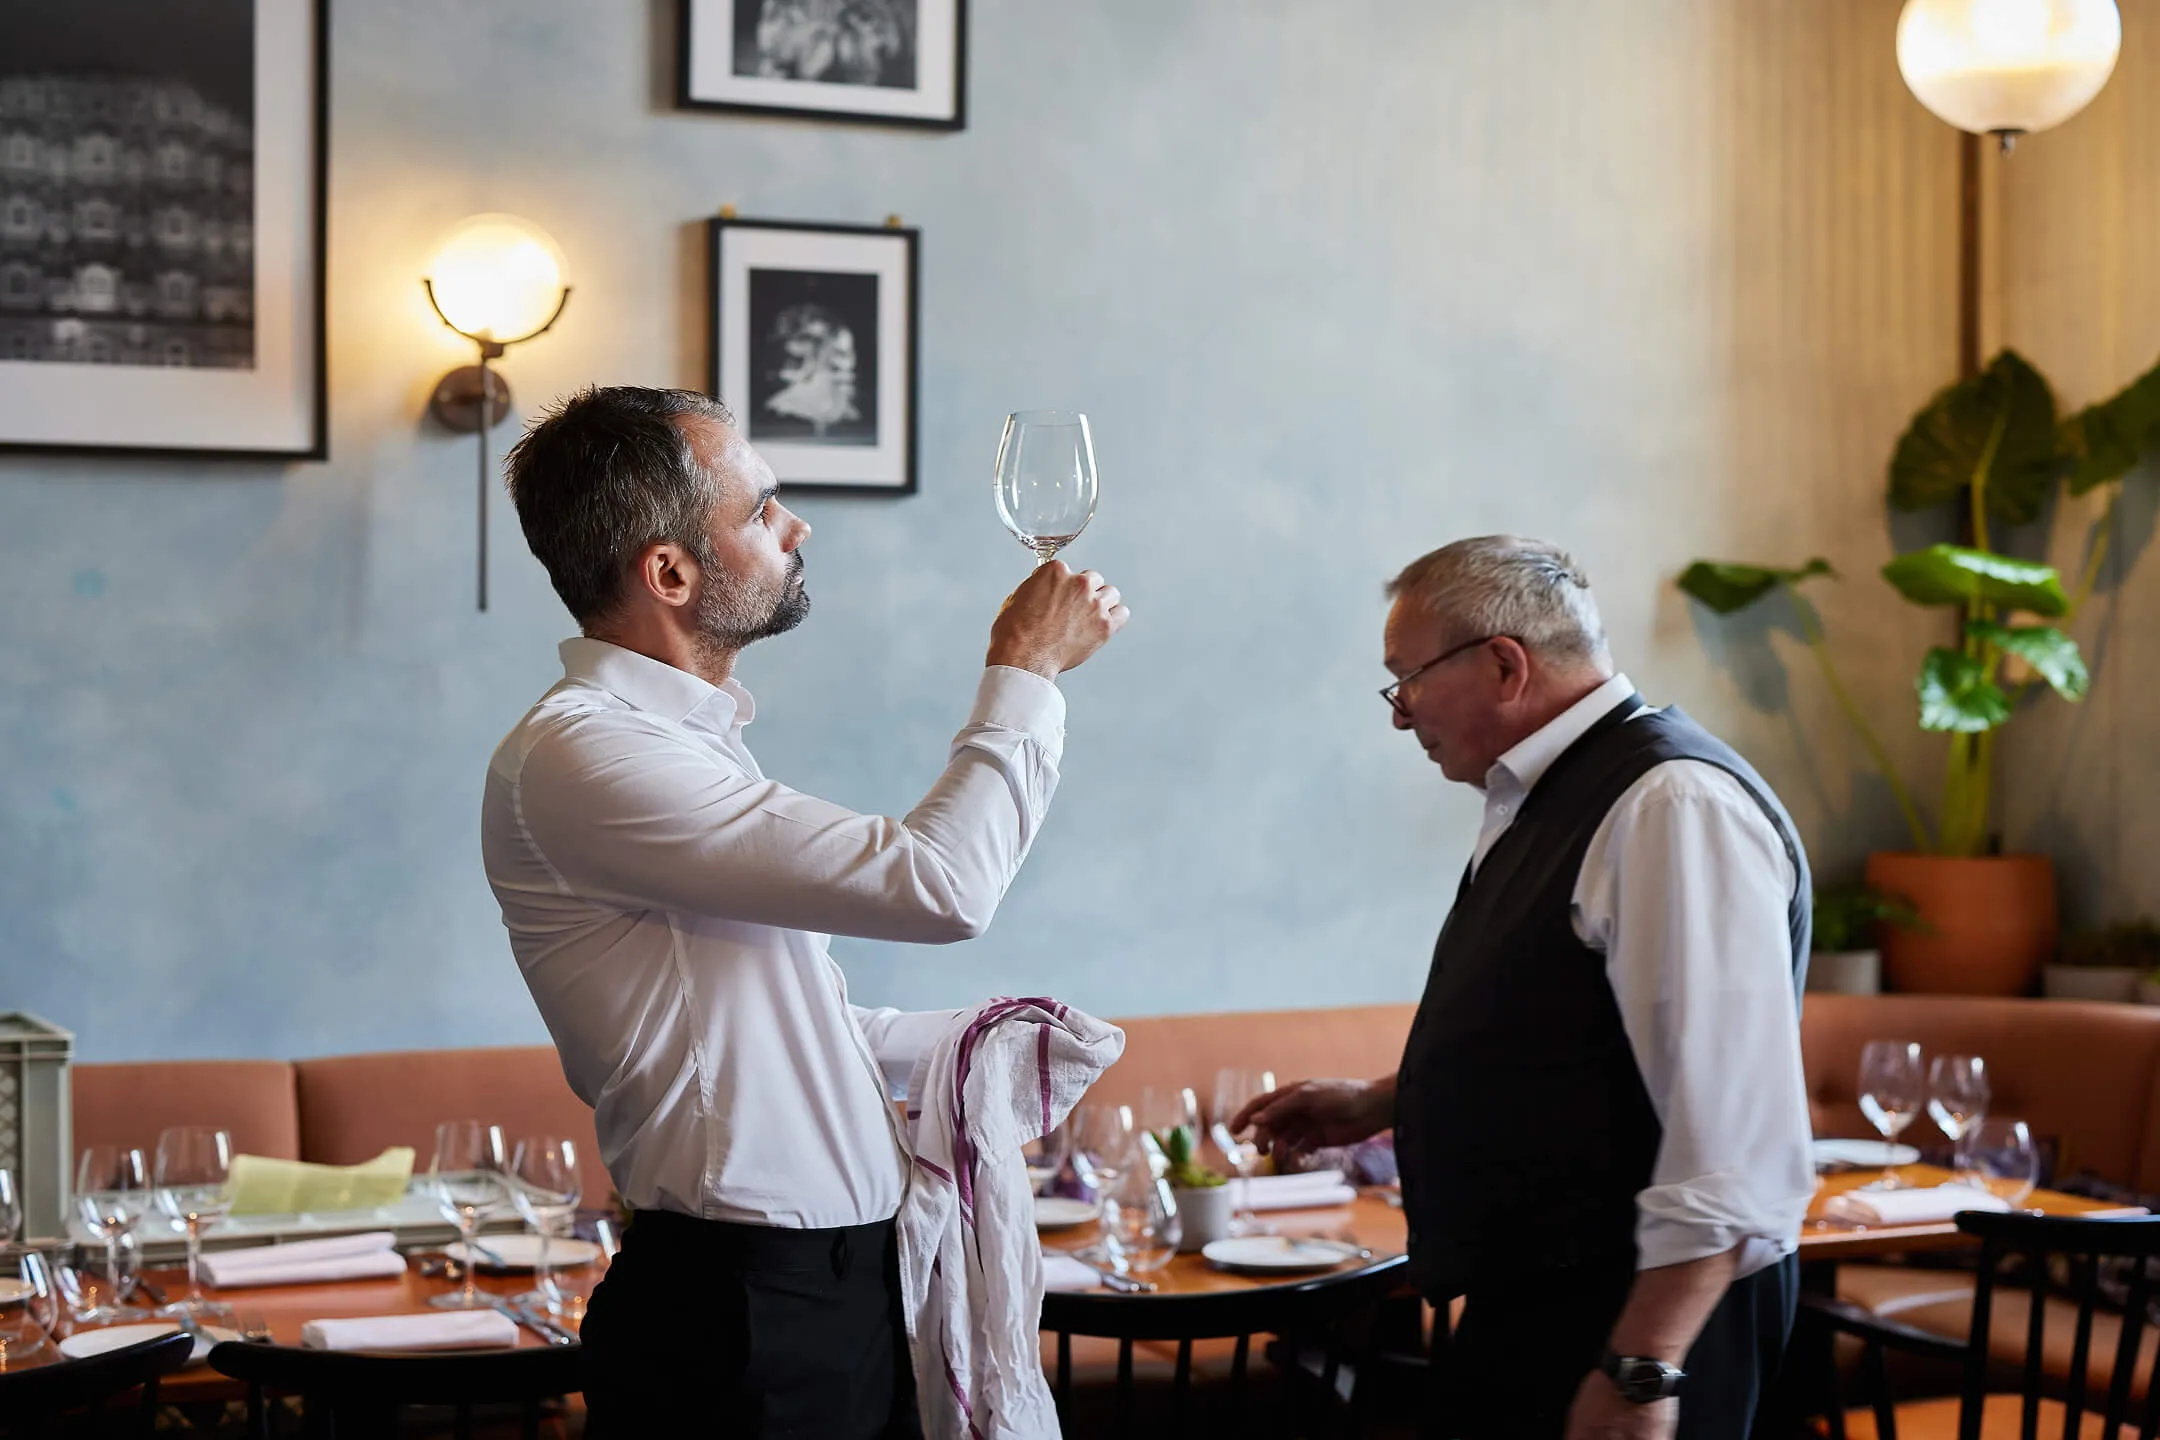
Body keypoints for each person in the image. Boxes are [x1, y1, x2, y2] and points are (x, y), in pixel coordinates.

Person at [480, 385, 1127, 1438]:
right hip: (737, 1312)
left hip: (824, 1294)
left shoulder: (680, 743)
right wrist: (1027, 669)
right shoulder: (586, 753)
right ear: (671, 572)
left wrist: (976, 1047)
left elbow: (760, 1028)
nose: (795, 527)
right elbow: (940, 884)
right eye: (762, 507)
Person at [1235, 536, 1813, 1440]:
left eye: (1408, 679)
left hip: (1636, 1324)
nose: (1400, 715)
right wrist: (1387, 1101)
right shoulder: (1551, 798)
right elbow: (1582, 1048)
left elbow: (1733, 1144)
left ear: (1505, 665)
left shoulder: (1670, 806)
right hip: (1550, 1310)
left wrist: (1640, 1372)